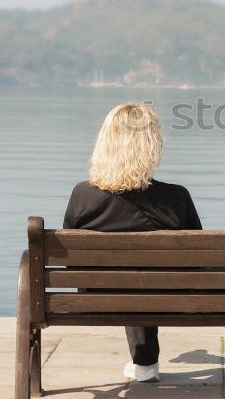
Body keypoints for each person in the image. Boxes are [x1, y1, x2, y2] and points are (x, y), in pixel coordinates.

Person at [63, 103, 201, 383]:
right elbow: (199, 258)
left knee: (129, 277)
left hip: (97, 296)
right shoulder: (176, 197)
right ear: (153, 144)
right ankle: (145, 364)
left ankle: (145, 365)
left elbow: (69, 258)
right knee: (148, 277)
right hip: (169, 297)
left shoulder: (83, 195)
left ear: (106, 142)